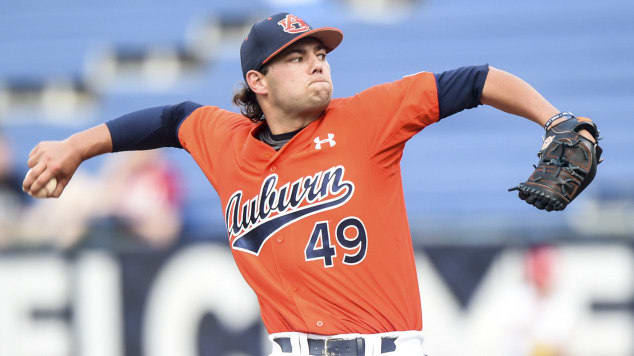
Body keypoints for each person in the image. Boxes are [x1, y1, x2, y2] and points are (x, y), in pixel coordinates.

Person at [22, 12, 598, 356]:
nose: (318, 63)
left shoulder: (369, 118)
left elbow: (476, 80)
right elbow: (170, 118)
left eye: (319, 52)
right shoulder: (226, 142)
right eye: (296, 57)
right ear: (259, 81)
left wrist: (554, 119)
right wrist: (77, 146)